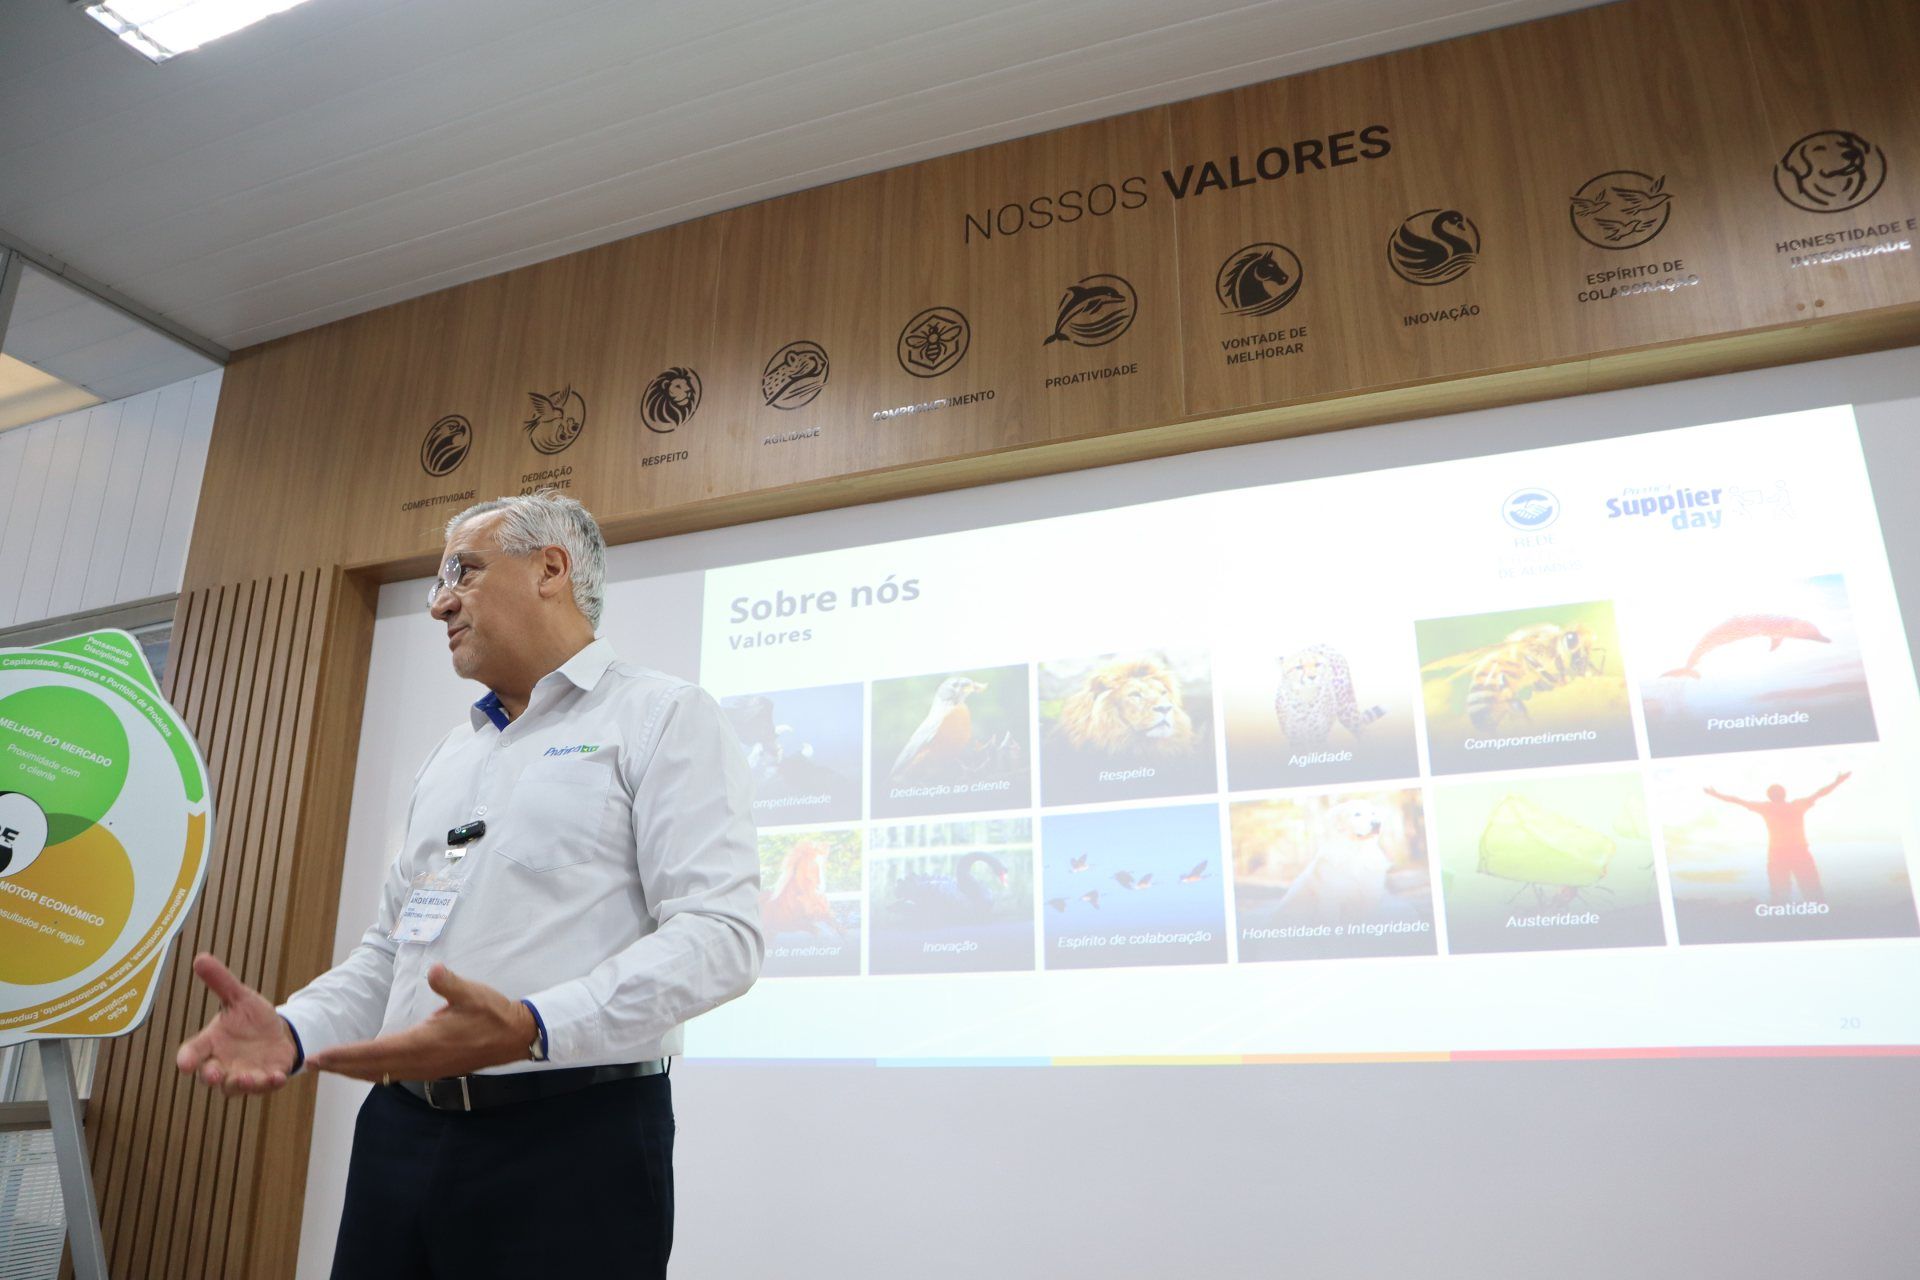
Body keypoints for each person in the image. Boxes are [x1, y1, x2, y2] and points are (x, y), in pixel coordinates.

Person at [175, 492, 762, 1279]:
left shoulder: (661, 716)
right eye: (435, 581)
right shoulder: (452, 754)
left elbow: (721, 937)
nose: (439, 601)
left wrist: (532, 1024)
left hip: (573, 1143)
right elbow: (393, 948)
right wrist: (297, 1029)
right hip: (400, 1132)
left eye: (463, 571)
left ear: (551, 567)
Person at [1703, 771, 1850, 904]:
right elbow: (1820, 793)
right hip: (1799, 853)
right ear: (1784, 793)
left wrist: (1715, 794)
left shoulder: (1766, 807)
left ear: (1769, 796)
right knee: (1811, 890)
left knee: (1780, 893)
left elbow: (1737, 800)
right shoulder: (1797, 805)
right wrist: (1838, 782)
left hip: (1778, 854)